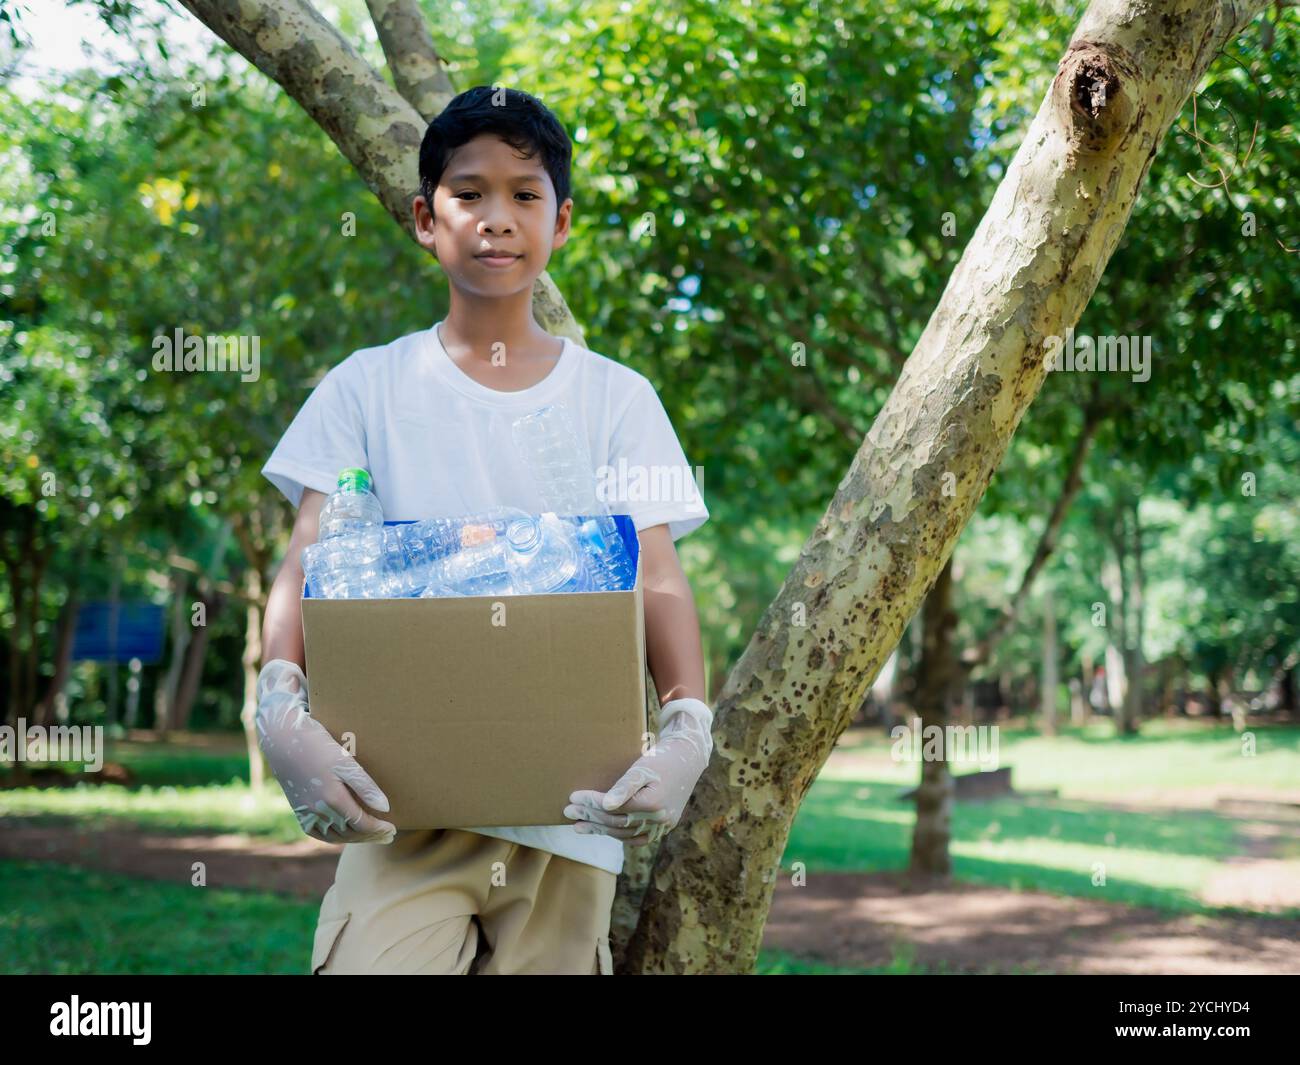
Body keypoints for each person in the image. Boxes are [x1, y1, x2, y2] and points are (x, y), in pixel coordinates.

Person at [256, 86, 713, 974]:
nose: (497, 218)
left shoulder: (617, 398)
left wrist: (688, 725)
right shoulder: (365, 387)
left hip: (569, 821)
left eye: (524, 194)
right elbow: (309, 553)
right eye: (469, 194)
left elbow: (656, 575)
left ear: (562, 221)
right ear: (427, 219)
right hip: (400, 811)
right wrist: (279, 703)